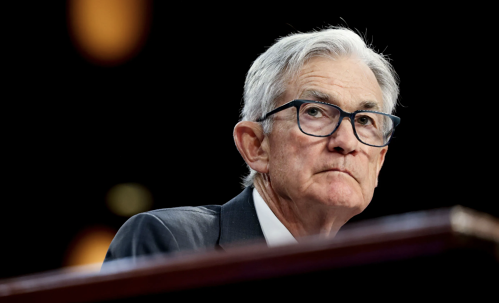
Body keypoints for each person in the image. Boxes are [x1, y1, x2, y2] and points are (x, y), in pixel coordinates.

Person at [103, 27, 400, 264]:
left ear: (379, 161)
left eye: (365, 120)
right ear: (256, 145)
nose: (346, 142)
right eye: (314, 112)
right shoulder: (173, 244)